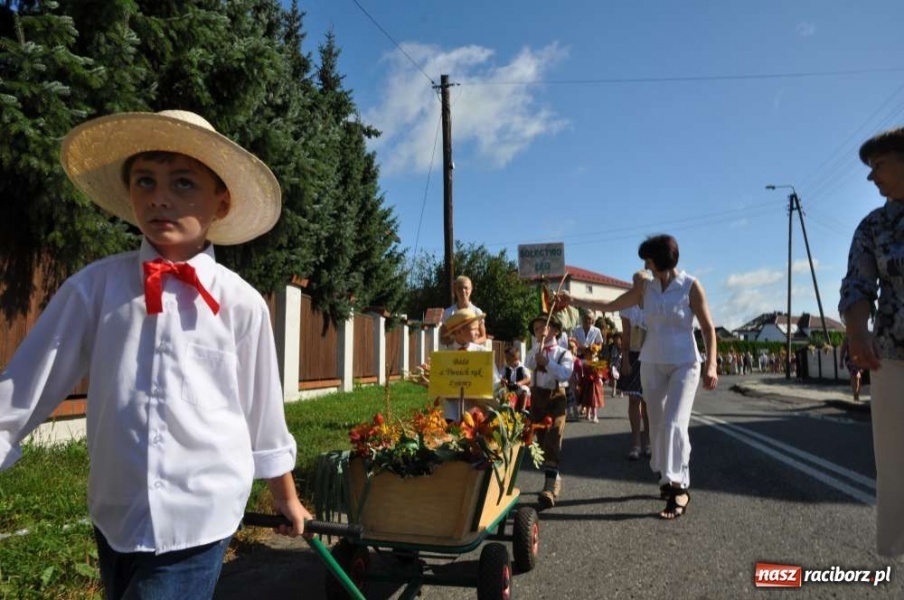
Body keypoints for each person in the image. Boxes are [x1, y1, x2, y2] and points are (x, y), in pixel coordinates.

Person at [0, 110, 311, 598]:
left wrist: (285, 497)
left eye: (183, 183)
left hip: (200, 514)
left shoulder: (241, 303)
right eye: (145, 181)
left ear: (221, 203)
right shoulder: (95, 288)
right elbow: (27, 383)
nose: (159, 197)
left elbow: (261, 411)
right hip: (116, 511)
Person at [559, 234, 718, 520]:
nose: (646, 264)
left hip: (685, 362)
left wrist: (712, 365)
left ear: (660, 259)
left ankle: (678, 486)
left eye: (648, 259)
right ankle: (665, 476)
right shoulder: (647, 288)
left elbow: (708, 328)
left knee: (674, 423)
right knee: (655, 423)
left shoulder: (691, 286)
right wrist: (574, 299)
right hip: (652, 361)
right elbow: (612, 304)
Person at [838, 125, 904, 558]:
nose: (870, 177)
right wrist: (857, 331)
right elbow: (858, 287)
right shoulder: (875, 226)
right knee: (896, 469)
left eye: (877, 165)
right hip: (894, 359)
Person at [525, 314, 574, 509]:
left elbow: (564, 374)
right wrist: (536, 354)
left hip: (556, 398)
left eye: (543, 327)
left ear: (555, 330)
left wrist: (547, 363)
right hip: (537, 398)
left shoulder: (564, 353)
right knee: (543, 441)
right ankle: (555, 478)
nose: (539, 331)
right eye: (536, 329)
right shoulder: (534, 350)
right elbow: (528, 364)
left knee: (554, 436)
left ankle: (548, 488)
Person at [439, 307, 498, 420]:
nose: (478, 332)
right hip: (451, 413)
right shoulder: (445, 356)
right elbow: (441, 386)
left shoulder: (483, 354)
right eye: (474, 329)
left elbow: (495, 382)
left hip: (479, 414)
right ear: (460, 330)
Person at [620, 300, 651, 461]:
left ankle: (649, 443)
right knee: (634, 400)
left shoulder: (655, 303)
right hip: (633, 356)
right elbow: (625, 335)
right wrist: (625, 360)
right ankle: (636, 444)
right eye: (636, 283)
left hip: (652, 356)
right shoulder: (628, 308)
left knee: (648, 403)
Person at [439, 275, 487, 348]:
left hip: (472, 354)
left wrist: (470, 344)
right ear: (455, 290)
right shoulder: (448, 313)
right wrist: (456, 340)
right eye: (460, 288)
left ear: (471, 289)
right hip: (453, 355)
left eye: (466, 288)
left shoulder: (477, 312)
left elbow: (483, 337)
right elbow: (442, 338)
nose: (463, 291)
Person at [502, 345, 532, 412]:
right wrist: (504, 380)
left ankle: (522, 409)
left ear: (515, 358)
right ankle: (505, 410)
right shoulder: (506, 367)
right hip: (509, 388)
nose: (506, 360)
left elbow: (528, 378)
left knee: (524, 389)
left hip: (518, 388)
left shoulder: (522, 367)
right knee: (501, 392)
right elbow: (500, 376)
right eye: (506, 358)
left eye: (508, 359)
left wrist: (520, 383)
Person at [579, 347, 605, 423]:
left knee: (593, 400)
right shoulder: (585, 363)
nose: (587, 356)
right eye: (586, 354)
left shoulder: (595, 363)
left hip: (594, 383)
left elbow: (599, 373)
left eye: (589, 354)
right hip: (587, 382)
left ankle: (594, 416)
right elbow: (583, 371)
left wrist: (599, 378)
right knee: (587, 399)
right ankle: (588, 414)